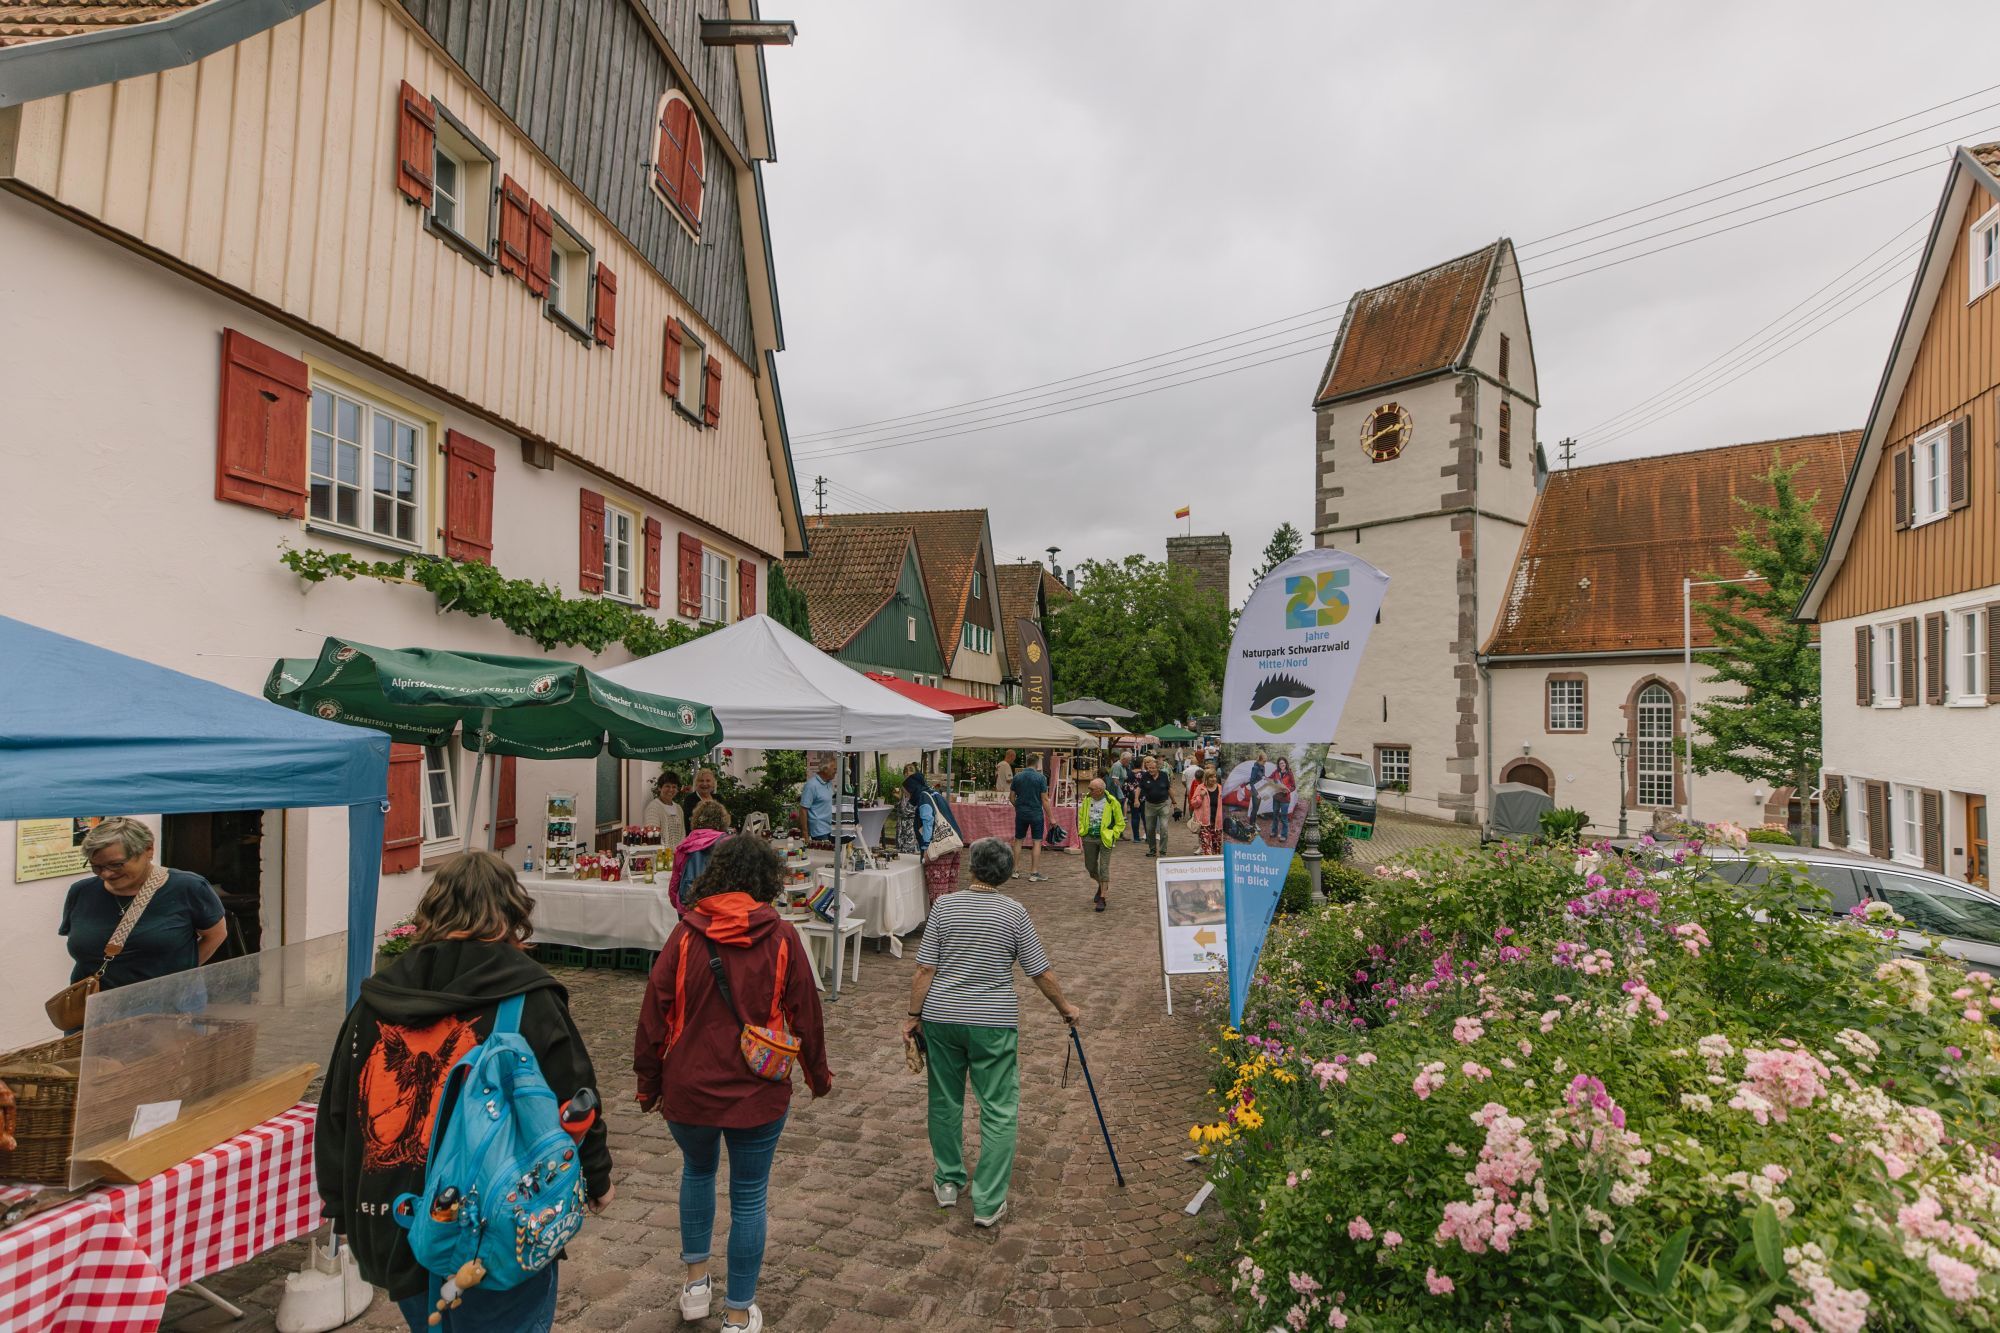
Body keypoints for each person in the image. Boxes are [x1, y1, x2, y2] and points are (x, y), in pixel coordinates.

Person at [317, 851, 613, 1332]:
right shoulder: (527, 997)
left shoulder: (375, 1001)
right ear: (510, 912)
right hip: (495, 1222)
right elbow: (575, 1100)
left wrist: (339, 1203)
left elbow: (337, 1110)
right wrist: (596, 1179)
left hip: (396, 1216)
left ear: (432, 910)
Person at [636, 836, 832, 1333]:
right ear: (767, 879)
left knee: (697, 1173)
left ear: (716, 874)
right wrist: (817, 1076)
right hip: (757, 1088)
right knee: (749, 1196)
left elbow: (653, 1015)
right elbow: (807, 1014)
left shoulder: (685, 936)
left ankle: (696, 1285)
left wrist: (648, 1083)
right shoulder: (782, 935)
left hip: (690, 1084)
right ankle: (739, 1311)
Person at [905, 839, 1078, 1228]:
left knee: (945, 1100)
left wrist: (913, 1016)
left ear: (972, 867)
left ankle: (948, 1181)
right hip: (993, 1023)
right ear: (1004, 873)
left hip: (943, 1018)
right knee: (998, 1108)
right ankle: (987, 1202)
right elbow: (1040, 971)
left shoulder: (945, 907)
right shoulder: (1014, 913)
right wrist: (1065, 1008)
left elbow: (924, 970)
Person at [60, 817, 228, 997]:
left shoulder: (188, 887)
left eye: (116, 864)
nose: (106, 874)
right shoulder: (81, 892)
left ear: (148, 850)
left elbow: (216, 935)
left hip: (169, 1007)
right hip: (95, 1009)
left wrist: (177, 976)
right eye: (96, 866)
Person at [906, 769, 964, 907]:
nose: (907, 795)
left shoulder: (924, 797)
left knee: (938, 893)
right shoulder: (935, 793)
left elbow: (928, 822)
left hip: (939, 848)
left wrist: (926, 848)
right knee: (950, 890)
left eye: (907, 791)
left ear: (913, 788)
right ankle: (950, 922)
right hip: (952, 843)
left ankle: (939, 925)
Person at [669, 800, 732, 913]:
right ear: (723, 820)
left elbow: (675, 881)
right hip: (720, 906)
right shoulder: (729, 843)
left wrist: (678, 904)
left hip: (689, 907)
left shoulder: (685, 845)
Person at [1078, 777, 1125, 912]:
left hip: (1105, 839)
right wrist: (1082, 830)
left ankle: (1103, 898)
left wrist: (1113, 834)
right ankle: (1101, 884)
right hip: (1089, 837)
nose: (1089, 791)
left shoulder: (1112, 802)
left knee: (1104, 867)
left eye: (1091, 789)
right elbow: (1081, 816)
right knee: (1090, 867)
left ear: (1100, 790)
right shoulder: (1087, 799)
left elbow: (1120, 822)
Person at [1008, 754, 1053, 882]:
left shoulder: (1017, 777)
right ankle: (1034, 873)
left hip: (1021, 813)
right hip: (1036, 813)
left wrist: (1018, 806)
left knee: (1018, 840)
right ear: (1037, 764)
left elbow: (1011, 797)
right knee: (1037, 841)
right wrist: (1051, 818)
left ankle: (1015, 870)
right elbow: (1044, 799)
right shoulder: (1041, 778)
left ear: (1027, 762)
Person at [1135, 755, 1174, 857]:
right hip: (1150, 805)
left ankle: (1163, 851)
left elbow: (1169, 788)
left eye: (1153, 768)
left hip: (1163, 804)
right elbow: (1139, 788)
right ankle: (1152, 849)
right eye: (1149, 768)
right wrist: (1136, 800)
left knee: (1164, 828)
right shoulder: (1145, 776)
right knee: (1150, 828)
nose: (1150, 770)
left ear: (1158, 768)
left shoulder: (1164, 775)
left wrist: (1174, 802)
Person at [794, 757, 837, 842]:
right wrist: (805, 833)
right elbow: (803, 809)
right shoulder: (811, 785)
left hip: (830, 828)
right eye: (834, 769)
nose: (836, 771)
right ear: (825, 769)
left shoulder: (828, 783)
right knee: (822, 854)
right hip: (819, 832)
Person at [644, 770, 689, 851]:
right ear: (659, 788)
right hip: (659, 855)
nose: (671, 790)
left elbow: (683, 834)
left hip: (677, 855)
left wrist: (679, 853)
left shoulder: (679, 808)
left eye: (674, 787)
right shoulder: (653, 807)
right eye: (667, 786)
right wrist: (667, 854)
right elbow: (653, 835)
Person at [1190, 767, 1223, 856]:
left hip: (1217, 824)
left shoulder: (1220, 789)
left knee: (1216, 849)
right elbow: (1193, 803)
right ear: (1206, 778)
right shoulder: (1200, 788)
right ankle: (1208, 867)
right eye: (1211, 777)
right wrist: (1200, 797)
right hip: (1204, 824)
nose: (1213, 779)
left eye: (1215, 777)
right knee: (1207, 849)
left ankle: (1215, 868)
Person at [1270, 757, 1297, 842]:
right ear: (1278, 765)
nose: (1282, 764)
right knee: (1275, 815)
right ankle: (1274, 831)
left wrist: (1288, 790)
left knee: (1284, 817)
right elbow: (1270, 779)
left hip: (1285, 799)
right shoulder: (1276, 772)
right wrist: (1269, 780)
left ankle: (1284, 835)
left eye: (1283, 763)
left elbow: (1293, 786)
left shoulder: (1289, 773)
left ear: (1286, 763)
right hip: (1276, 797)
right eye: (1280, 763)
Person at [1248, 750, 1269, 834]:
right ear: (1260, 760)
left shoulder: (1263, 767)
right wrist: (1256, 793)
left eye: (1266, 761)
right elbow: (1251, 782)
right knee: (1255, 808)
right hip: (1255, 791)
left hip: (1261, 790)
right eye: (1264, 761)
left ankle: (1253, 823)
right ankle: (1251, 824)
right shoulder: (1255, 768)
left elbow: (1262, 776)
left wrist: (1266, 778)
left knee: (1257, 808)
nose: (1265, 763)